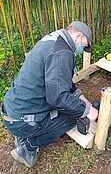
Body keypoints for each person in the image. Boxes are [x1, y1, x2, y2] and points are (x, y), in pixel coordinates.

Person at [1, 21, 98, 168]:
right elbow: (57, 99)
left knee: (73, 107)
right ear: (79, 35)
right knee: (73, 116)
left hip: (12, 110)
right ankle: (28, 147)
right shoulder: (63, 52)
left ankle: (22, 133)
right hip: (22, 120)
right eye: (83, 45)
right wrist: (84, 111)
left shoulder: (53, 40)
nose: (81, 50)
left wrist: (85, 102)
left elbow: (63, 83)